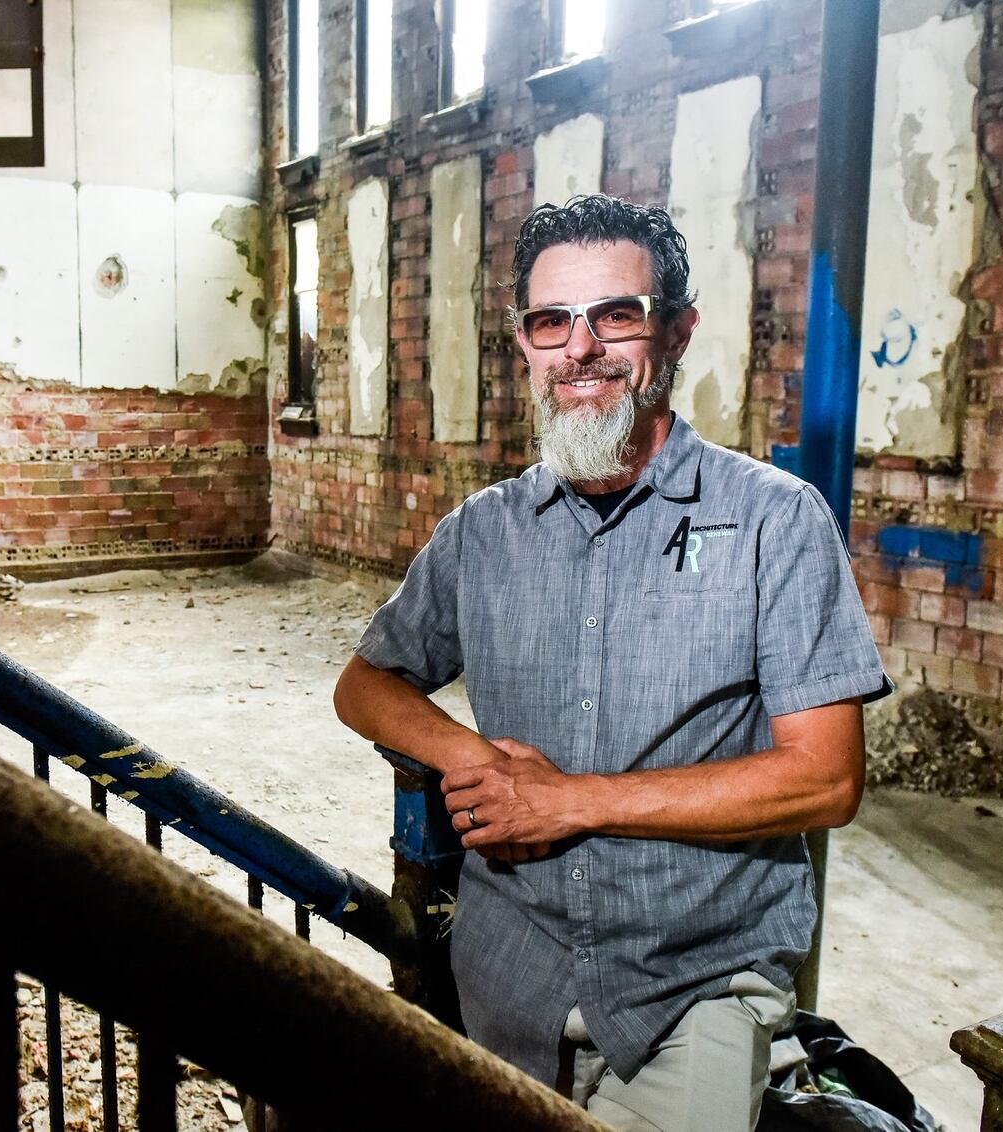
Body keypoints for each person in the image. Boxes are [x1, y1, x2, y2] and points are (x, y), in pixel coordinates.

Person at [332, 194, 889, 1132]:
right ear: (525, 346)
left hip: (693, 983)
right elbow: (366, 683)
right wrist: (473, 761)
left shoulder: (774, 522)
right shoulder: (486, 530)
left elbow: (825, 780)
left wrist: (573, 799)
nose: (580, 349)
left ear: (675, 332)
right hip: (511, 973)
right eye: (552, 322)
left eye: (615, 316)